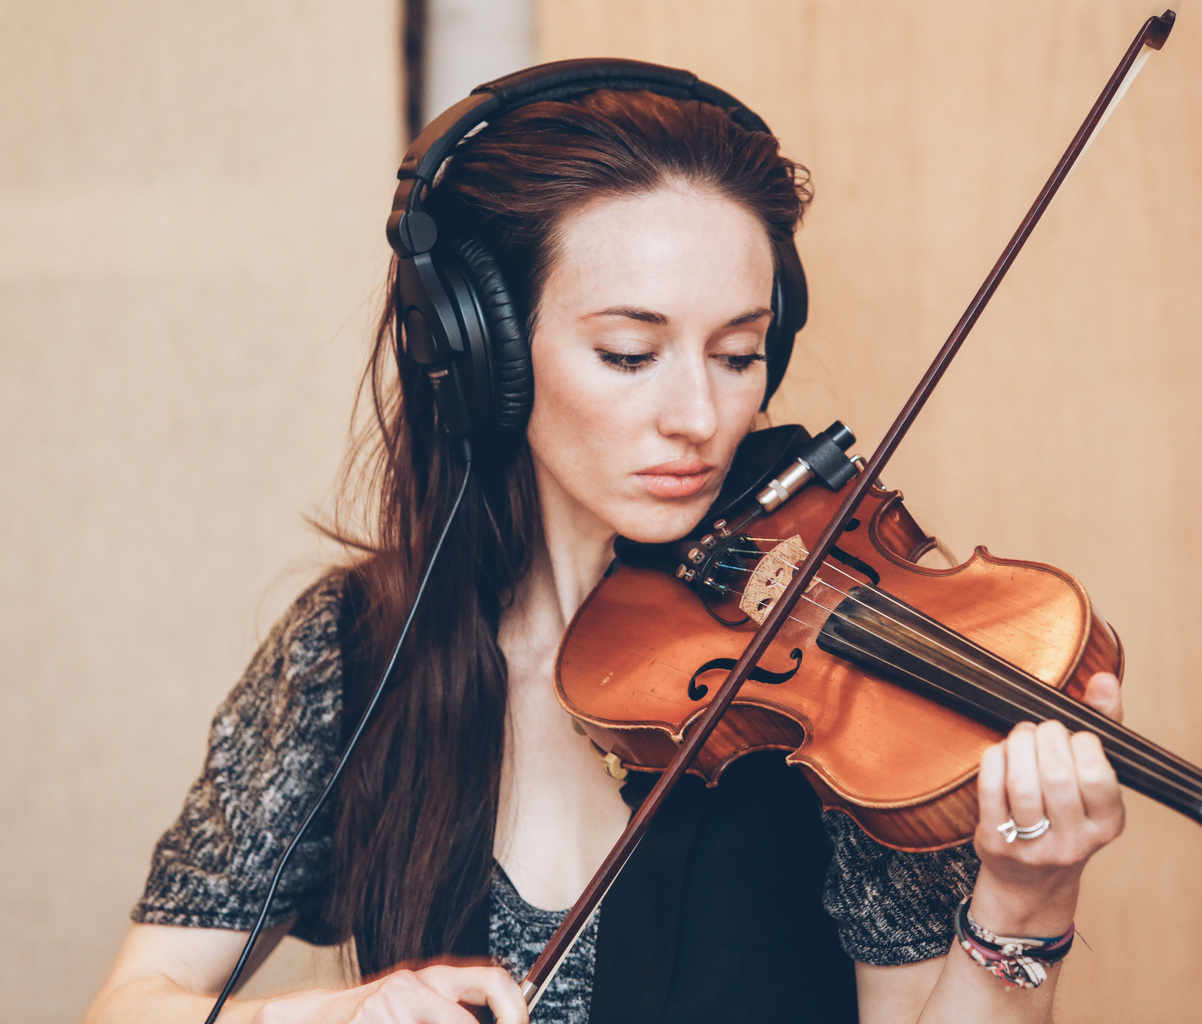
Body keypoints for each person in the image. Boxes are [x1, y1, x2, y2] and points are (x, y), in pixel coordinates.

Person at [85, 63, 1126, 1024]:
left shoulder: (826, 687)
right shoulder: (355, 648)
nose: (698, 415)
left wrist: (1021, 904)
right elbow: (139, 997)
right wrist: (328, 1014)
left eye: (738, 353)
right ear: (484, 354)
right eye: (629, 353)